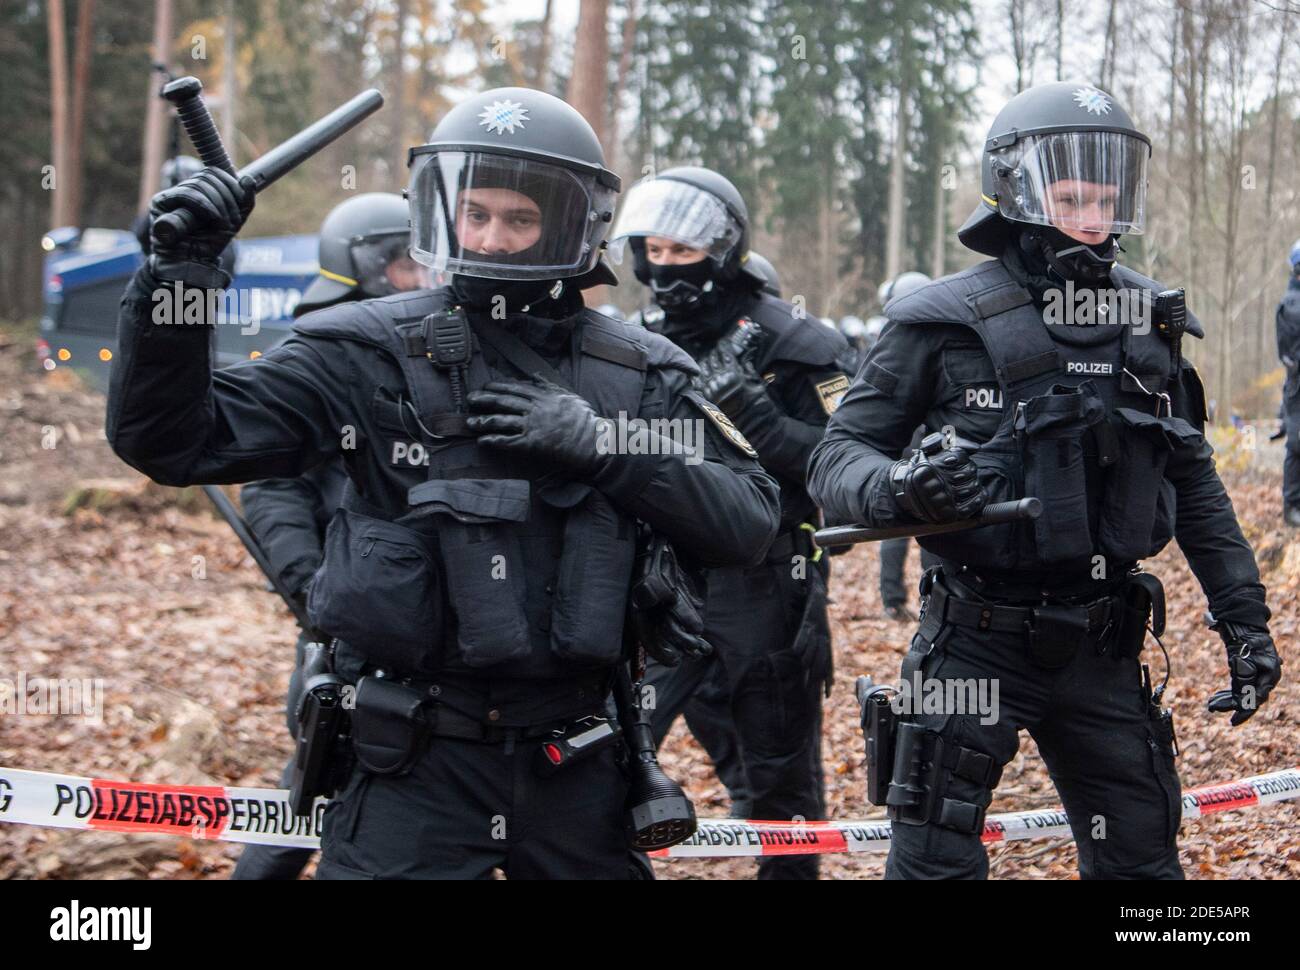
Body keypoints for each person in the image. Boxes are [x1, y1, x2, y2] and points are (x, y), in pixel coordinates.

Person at [107, 87, 780, 880]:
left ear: (572, 224)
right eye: (478, 213)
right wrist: (178, 282)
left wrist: (606, 448)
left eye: (522, 219)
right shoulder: (363, 350)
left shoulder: (642, 372)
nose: (496, 238)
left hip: (579, 761)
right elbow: (174, 442)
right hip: (408, 764)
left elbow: (747, 523)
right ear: (438, 211)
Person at [808, 81, 1282, 880]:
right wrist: (903, 488)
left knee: (1143, 864)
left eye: (1108, 197)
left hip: (1104, 642)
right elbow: (835, 458)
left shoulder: (1149, 321)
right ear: (1016, 189)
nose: (1094, 218)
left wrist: (1243, 617)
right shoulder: (940, 319)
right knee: (932, 865)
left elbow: (1194, 480)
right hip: (973, 641)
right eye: (1071, 196)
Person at [609, 166, 852, 879]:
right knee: (608, 756)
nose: (664, 265)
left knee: (781, 783)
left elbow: (855, 467)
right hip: (655, 582)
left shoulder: (799, 341)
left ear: (724, 251)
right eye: (653, 250)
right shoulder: (628, 341)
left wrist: (764, 422)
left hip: (769, 582)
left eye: (682, 251)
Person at [230, 192, 425, 880]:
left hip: (429, 630)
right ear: (361, 267)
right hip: (343, 626)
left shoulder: (437, 341)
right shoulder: (324, 352)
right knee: (314, 788)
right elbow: (272, 485)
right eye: (404, 266)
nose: (421, 278)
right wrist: (314, 587)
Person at [874, 272, 933, 623]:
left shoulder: (891, 340)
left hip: (909, 447)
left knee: (905, 530)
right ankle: (908, 600)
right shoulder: (940, 338)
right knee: (922, 529)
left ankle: (896, 601)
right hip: (919, 447)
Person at [1277, 240, 1300, 527]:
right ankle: (1292, 505)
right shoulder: (1292, 305)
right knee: (1297, 443)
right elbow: (1290, 354)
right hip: (1298, 385)